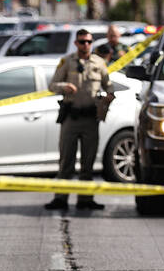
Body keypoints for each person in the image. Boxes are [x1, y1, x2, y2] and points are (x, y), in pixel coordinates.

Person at [45, 28, 115, 211]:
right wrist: (64, 86)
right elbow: (52, 85)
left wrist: (108, 97)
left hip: (91, 118)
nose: (86, 45)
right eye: (82, 42)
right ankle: (60, 198)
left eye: (89, 42)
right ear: (76, 43)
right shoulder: (67, 62)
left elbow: (109, 86)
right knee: (66, 161)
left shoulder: (99, 63)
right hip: (71, 117)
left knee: (88, 162)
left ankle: (85, 199)